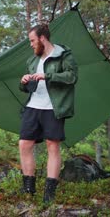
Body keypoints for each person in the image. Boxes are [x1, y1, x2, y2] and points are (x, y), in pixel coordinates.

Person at [18, 24, 78, 203]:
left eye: (33, 40)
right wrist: (24, 81)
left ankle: (49, 194)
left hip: (53, 107)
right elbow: (27, 87)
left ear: (42, 38)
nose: (31, 44)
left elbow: (72, 76)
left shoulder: (63, 55)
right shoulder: (33, 61)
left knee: (53, 146)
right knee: (24, 144)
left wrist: (48, 76)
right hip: (33, 106)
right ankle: (29, 189)